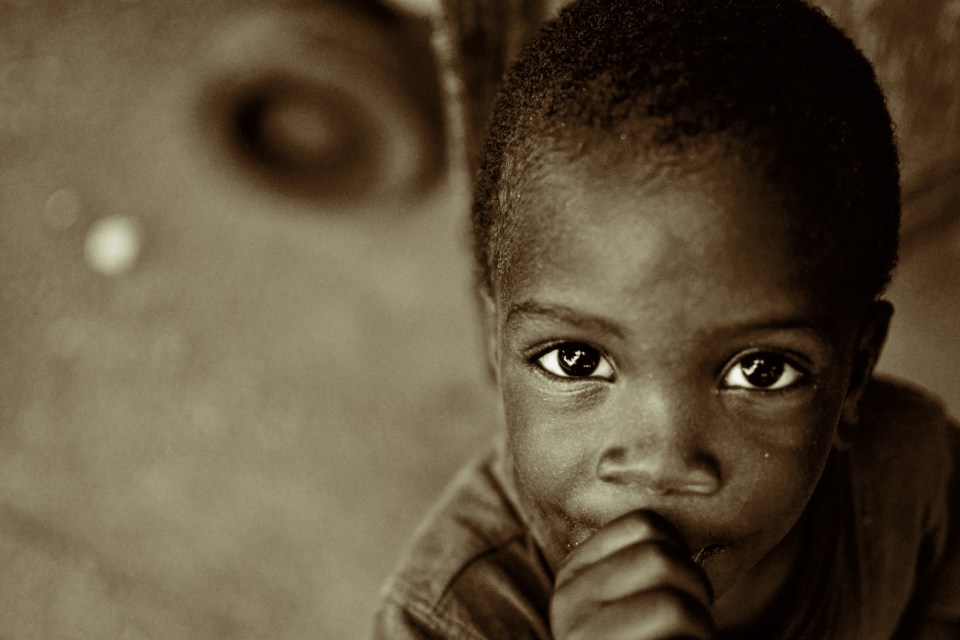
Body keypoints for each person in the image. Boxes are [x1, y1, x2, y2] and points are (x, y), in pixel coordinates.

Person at [373, 0, 960, 637]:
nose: (661, 463)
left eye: (760, 371)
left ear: (855, 375)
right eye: (577, 359)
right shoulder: (449, 623)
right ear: (495, 343)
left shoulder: (913, 476)